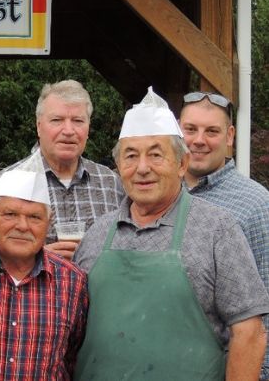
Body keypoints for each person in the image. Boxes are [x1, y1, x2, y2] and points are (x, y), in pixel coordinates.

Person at [73, 87, 269, 380]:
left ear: (181, 164)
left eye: (156, 155)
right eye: (130, 156)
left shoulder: (217, 229)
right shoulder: (97, 233)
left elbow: (249, 332)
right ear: (119, 167)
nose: (142, 168)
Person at [0, 163, 88, 380]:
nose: (23, 226)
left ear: (48, 223)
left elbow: (73, 358)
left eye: (35, 217)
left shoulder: (72, 281)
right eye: (10, 214)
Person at [0, 80, 125, 260]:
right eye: (57, 120)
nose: (68, 130)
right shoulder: (2, 183)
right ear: (39, 126)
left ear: (88, 128)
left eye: (78, 121)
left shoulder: (111, 183)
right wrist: (36, 258)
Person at [179, 91, 269, 379]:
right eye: (190, 129)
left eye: (212, 131)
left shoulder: (255, 204)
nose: (199, 140)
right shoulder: (159, 194)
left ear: (230, 136)